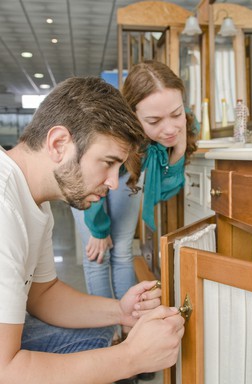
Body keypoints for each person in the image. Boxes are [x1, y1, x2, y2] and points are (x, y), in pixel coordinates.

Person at [0, 76, 185, 384]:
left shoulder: (30, 197)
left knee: (101, 336)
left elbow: (42, 295)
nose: (112, 182)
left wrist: (121, 312)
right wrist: (131, 358)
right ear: (58, 144)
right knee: (108, 360)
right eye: (107, 163)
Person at [71, 60, 198, 305]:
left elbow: (166, 189)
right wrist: (98, 228)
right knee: (98, 254)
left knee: (122, 251)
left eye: (176, 114)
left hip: (126, 176)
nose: (170, 128)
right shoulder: (108, 129)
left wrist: (179, 151)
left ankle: (129, 324)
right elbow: (88, 175)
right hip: (86, 179)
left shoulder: (181, 124)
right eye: (154, 121)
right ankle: (107, 331)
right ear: (133, 115)